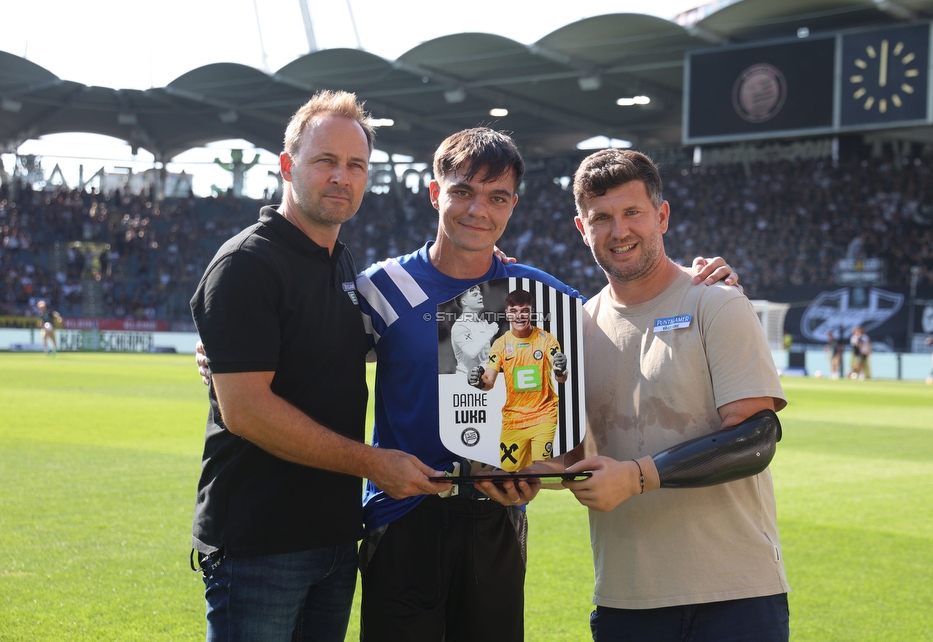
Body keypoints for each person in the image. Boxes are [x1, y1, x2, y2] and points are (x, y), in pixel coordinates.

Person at [196, 127, 739, 641]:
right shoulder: (379, 289)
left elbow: (586, 394)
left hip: (496, 518)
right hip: (399, 516)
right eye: (463, 191)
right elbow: (299, 350)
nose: (479, 210)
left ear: (513, 206)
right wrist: (213, 358)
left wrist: (700, 279)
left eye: (497, 197)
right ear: (435, 193)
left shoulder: (542, 297)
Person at [188, 90, 441, 642]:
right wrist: (372, 462)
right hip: (261, 545)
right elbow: (248, 411)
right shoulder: (246, 264)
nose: (341, 177)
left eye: (356, 165)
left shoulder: (344, 264)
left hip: (333, 539)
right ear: (288, 165)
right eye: (326, 160)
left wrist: (492, 276)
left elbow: (414, 334)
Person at [515, 148, 790, 641]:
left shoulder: (716, 302)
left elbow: (757, 437)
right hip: (627, 599)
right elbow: (568, 457)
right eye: (601, 218)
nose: (618, 231)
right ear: (582, 228)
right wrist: (515, 472)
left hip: (736, 596)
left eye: (632, 212)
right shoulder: (572, 332)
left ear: (661, 215)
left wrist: (638, 477)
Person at [468, 288, 568, 471]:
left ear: (531, 312)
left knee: (539, 470)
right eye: (514, 311)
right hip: (513, 420)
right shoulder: (500, 344)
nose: (519, 316)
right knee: (508, 475)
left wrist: (560, 369)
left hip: (543, 414)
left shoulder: (546, 339)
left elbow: (560, 376)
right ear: (507, 313)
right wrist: (478, 381)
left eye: (524, 311)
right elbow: (488, 382)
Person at [451, 283, 498, 374]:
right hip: (465, 379)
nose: (480, 297)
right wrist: (489, 332)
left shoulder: (483, 323)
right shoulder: (460, 326)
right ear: (464, 302)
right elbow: (471, 352)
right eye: (475, 295)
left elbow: (487, 356)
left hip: (485, 377)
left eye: (480, 294)